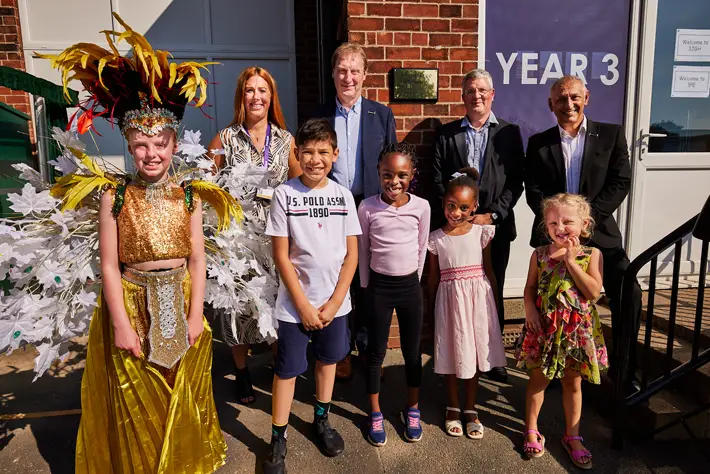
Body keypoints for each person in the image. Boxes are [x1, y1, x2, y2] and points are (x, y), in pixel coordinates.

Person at [39, 14, 236, 472]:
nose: (152, 154)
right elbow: (109, 264)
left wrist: (194, 317)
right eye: (142, 144)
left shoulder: (190, 194)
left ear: (173, 143)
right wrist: (123, 324)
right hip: (132, 302)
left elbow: (198, 259)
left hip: (179, 300)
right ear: (129, 144)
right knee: (137, 401)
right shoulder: (114, 195)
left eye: (160, 143)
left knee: (179, 395)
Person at [524, 75, 642, 385]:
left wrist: (588, 221)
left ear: (586, 98)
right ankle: (549, 369)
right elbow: (533, 190)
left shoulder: (611, 136)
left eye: (574, 97)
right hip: (555, 238)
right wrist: (557, 228)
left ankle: (624, 371)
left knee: (628, 293)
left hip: (599, 232)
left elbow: (621, 181)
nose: (568, 104)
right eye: (561, 99)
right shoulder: (539, 143)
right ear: (551, 105)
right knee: (549, 303)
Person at [263, 118, 361, 473]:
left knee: (328, 363)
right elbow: (281, 255)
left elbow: (351, 256)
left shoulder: (343, 197)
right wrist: (303, 305)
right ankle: (278, 437)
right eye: (308, 152)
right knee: (287, 371)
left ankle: (321, 419)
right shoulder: (285, 195)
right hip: (295, 307)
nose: (315, 159)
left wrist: (334, 303)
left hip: (335, 304)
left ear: (334, 154)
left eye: (323, 152)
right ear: (297, 154)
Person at [207, 66, 301, 405]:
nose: (256, 96)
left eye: (262, 90)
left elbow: (300, 185)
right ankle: (242, 371)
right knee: (239, 306)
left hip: (276, 236)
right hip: (238, 238)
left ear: (271, 97)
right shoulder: (225, 139)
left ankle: (281, 367)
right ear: (241, 97)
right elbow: (206, 188)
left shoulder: (285, 140)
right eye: (250, 90)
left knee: (278, 300)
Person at [432, 69, 525, 383]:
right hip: (457, 227)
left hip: (493, 225)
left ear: (493, 94)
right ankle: (457, 350)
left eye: (483, 90)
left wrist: (493, 215)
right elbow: (435, 179)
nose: (477, 96)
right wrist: (456, 215)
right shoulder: (447, 135)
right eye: (471, 90)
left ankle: (493, 356)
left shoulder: (509, 133)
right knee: (456, 290)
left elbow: (515, 181)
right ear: (463, 96)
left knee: (492, 288)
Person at [315, 42, 397, 379]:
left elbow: (392, 162)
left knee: (367, 280)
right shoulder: (319, 114)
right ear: (333, 74)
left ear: (364, 75)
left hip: (369, 208)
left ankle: (366, 346)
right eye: (342, 70)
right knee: (337, 279)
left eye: (354, 71)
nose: (348, 77)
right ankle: (342, 348)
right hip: (332, 209)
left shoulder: (382, 114)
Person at [516, 193, 608, 470]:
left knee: (573, 383)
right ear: (546, 225)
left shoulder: (592, 255)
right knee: (538, 381)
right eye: (553, 222)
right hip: (545, 329)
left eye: (568, 221)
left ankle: (573, 436)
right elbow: (530, 287)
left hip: (576, 331)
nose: (560, 228)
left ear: (584, 224)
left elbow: (593, 292)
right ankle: (531, 429)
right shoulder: (540, 254)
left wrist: (571, 260)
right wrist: (530, 309)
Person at [357, 142, 431, 446]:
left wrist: (415, 281)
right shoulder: (367, 207)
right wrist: (365, 288)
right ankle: (374, 412)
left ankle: (412, 408)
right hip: (378, 288)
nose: (394, 182)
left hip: (409, 288)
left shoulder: (422, 207)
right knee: (376, 352)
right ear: (378, 172)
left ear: (412, 174)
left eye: (402, 175)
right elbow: (362, 252)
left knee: (413, 353)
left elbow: (422, 246)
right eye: (388, 174)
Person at [427, 169, 507, 440]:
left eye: (464, 207)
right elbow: (433, 277)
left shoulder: (481, 233)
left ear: (474, 207)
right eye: (451, 206)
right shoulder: (436, 238)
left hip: (477, 301)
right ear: (443, 203)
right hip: (449, 303)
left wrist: (494, 303)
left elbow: (490, 270)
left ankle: (471, 408)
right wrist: (431, 309)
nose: (456, 212)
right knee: (451, 351)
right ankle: (452, 406)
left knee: (472, 354)